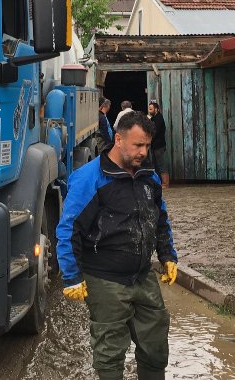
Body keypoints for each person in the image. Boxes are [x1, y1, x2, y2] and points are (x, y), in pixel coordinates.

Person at [56, 111, 178, 380]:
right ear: (119, 139)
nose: (144, 152)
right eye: (138, 145)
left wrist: (168, 255)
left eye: (147, 145)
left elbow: (160, 218)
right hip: (104, 279)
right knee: (110, 353)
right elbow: (69, 229)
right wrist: (71, 277)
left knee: (156, 346)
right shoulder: (90, 178)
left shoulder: (149, 176)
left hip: (142, 275)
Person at [148, 101, 169, 188]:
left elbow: (155, 133)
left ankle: (165, 183)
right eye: (149, 109)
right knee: (156, 165)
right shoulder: (154, 118)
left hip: (159, 146)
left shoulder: (159, 119)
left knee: (161, 164)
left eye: (151, 109)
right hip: (155, 145)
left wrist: (149, 140)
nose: (149, 111)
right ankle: (158, 182)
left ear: (156, 109)